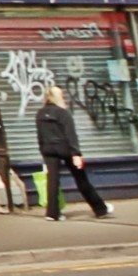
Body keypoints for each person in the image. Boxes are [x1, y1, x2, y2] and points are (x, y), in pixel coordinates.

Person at [34, 82, 108, 220]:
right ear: (59, 97)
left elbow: (40, 135)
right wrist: (76, 154)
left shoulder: (40, 113)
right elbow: (70, 134)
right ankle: (100, 209)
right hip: (64, 148)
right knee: (81, 179)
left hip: (48, 149)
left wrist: (43, 150)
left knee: (53, 180)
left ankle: (52, 213)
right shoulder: (63, 113)